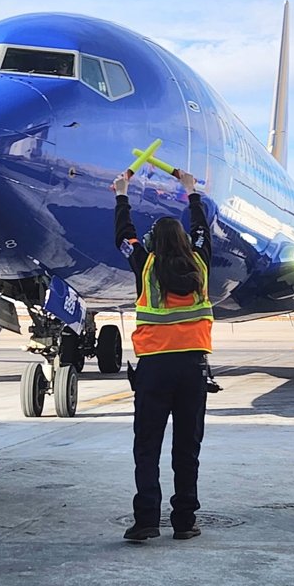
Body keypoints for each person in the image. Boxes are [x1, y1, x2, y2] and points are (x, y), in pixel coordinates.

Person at [113, 168, 213, 543]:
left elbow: (123, 236)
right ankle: (184, 521)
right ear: (186, 242)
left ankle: (146, 522)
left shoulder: (145, 264)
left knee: (147, 449)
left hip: (154, 370)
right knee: (187, 448)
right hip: (192, 369)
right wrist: (192, 193)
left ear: (153, 241)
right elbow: (202, 230)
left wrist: (122, 195)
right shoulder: (201, 263)